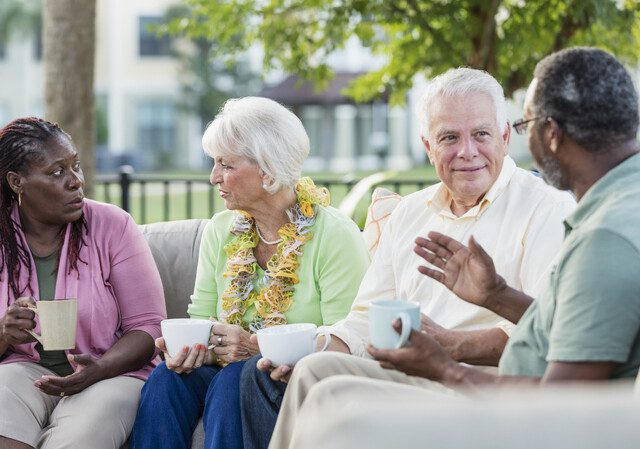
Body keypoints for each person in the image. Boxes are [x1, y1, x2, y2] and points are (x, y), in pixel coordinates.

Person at [267, 47, 640, 449]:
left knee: (330, 398)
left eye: (522, 124)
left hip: (512, 413)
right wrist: (498, 295)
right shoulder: (619, 207)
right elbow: (571, 322)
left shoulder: (603, 237)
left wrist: (446, 367)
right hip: (496, 393)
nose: (467, 151)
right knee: (318, 375)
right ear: (429, 145)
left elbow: (559, 409)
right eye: (449, 137)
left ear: (551, 133)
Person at [128, 97, 370, 449]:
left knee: (235, 380)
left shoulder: (334, 235)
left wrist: (257, 348)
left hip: (297, 376)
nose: (214, 177)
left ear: (267, 170)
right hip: (232, 372)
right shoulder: (222, 229)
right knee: (167, 379)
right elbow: (204, 317)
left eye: (226, 165)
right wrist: (194, 348)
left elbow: (347, 339)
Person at [0, 118, 166, 449]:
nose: (76, 181)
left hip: (110, 375)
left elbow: (148, 328)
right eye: (56, 172)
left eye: (75, 166)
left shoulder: (113, 226)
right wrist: (3, 333)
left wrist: (99, 368)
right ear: (17, 181)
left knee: (81, 436)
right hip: (22, 370)